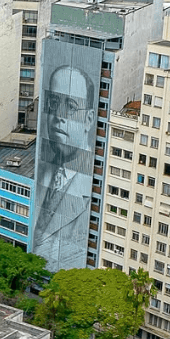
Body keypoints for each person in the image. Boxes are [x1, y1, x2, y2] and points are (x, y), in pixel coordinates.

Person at [32, 64, 96, 270]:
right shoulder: (39, 172)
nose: (59, 115)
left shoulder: (93, 187)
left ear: (88, 119)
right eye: (53, 103)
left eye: (71, 107)